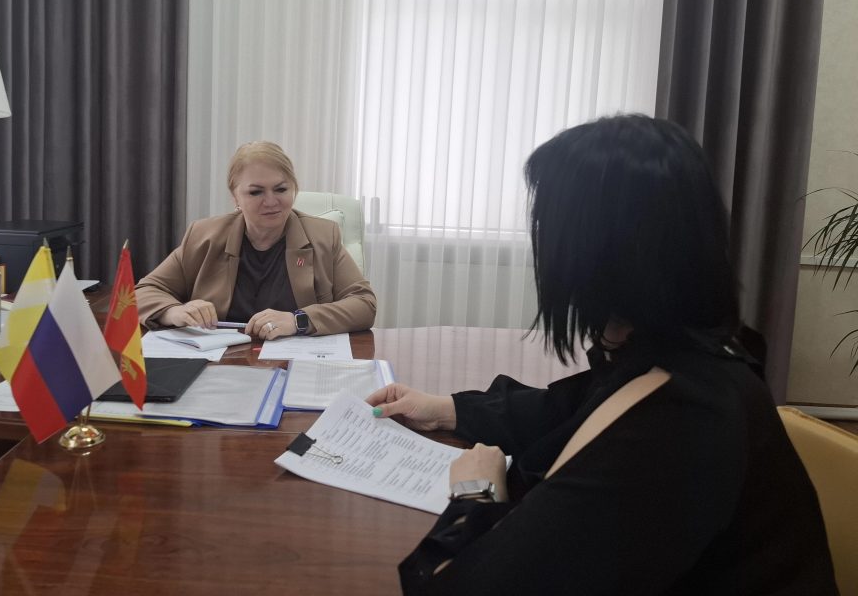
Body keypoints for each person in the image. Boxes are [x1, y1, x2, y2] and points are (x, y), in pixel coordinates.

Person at [366, 115, 837, 595]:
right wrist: (446, 409)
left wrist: (476, 491)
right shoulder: (681, 348)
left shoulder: (679, 419)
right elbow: (568, 408)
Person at [136, 141, 376, 339]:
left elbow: (364, 304)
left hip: (295, 362)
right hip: (221, 363)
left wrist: (298, 320)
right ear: (235, 197)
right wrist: (174, 312)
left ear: (293, 189)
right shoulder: (203, 236)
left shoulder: (323, 236)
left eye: (281, 189)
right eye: (256, 192)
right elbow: (143, 292)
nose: (271, 201)